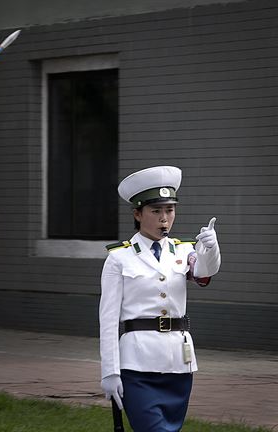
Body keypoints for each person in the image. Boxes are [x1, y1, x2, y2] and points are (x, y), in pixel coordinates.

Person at [99, 166, 221, 432]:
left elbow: (202, 273)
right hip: (137, 365)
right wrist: (110, 371)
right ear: (137, 213)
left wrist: (210, 249)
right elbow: (107, 320)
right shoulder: (119, 258)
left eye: (170, 210)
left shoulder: (184, 250)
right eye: (156, 211)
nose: (164, 219)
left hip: (179, 363)